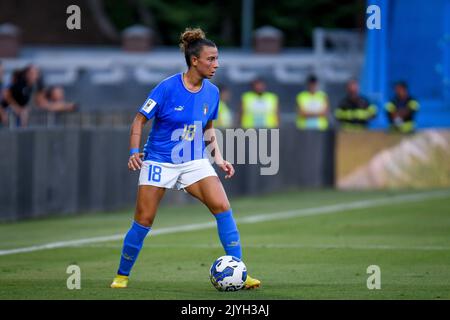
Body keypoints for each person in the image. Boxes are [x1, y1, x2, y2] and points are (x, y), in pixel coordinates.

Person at [110, 28, 261, 289]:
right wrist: (135, 152)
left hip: (194, 161)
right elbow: (139, 119)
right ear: (195, 60)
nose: (216, 64)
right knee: (144, 220)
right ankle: (122, 275)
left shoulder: (212, 92)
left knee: (223, 208)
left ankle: (240, 273)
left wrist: (219, 157)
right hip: (159, 160)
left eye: (217, 59)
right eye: (211, 59)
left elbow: (208, 128)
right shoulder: (167, 87)